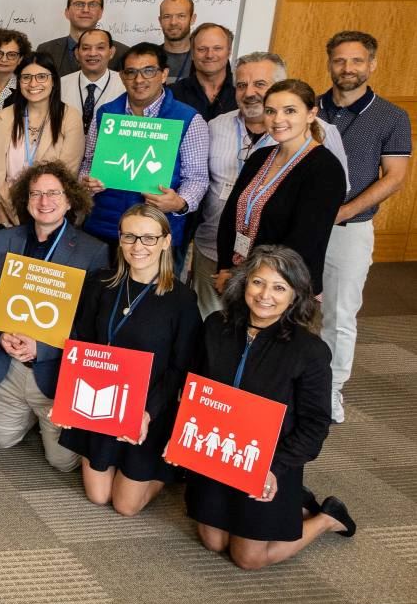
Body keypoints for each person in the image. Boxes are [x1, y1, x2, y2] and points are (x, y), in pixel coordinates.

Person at [187, 246, 353, 569]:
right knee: (213, 541)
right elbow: (195, 389)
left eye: (279, 287)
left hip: (269, 461)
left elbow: (314, 426)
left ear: (295, 296)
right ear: (243, 283)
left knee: (248, 558)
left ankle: (326, 518)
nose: (265, 295)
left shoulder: (310, 351)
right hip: (217, 452)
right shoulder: (215, 327)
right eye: (258, 283)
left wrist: (275, 468)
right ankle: (298, 501)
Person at [59, 204, 200, 516]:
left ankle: (170, 470)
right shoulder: (100, 283)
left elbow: (180, 368)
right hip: (100, 403)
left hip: (147, 409)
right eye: (130, 237)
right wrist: (69, 399)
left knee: (125, 507)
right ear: (119, 239)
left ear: (166, 241)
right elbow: (80, 343)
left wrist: (148, 413)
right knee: (98, 496)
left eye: (149, 238)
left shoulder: (182, 299)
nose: (138, 247)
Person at [0, 162, 107, 471]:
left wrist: (45, 348)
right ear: (26, 199)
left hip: (54, 371)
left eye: (53, 193)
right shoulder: (2, 241)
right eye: (36, 193)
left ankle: (41, 419)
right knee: (0, 439)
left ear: (69, 199)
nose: (44, 201)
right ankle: (27, 417)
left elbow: (91, 324)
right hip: (7, 364)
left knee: (63, 462)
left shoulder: (93, 252)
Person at [316, 31, 409, 424]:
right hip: (299, 227)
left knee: (339, 314)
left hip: (348, 229)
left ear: (371, 64)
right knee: (282, 306)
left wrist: (344, 210)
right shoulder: (308, 106)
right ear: (330, 63)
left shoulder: (392, 117)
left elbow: (394, 177)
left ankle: (329, 391)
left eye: (356, 61)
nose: (347, 69)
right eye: (340, 61)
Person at [215, 79, 345, 296]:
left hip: (283, 286)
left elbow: (304, 240)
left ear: (311, 114)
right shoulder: (260, 157)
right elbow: (230, 216)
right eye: (270, 111)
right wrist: (226, 268)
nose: (278, 119)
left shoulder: (325, 169)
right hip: (241, 277)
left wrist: (254, 280)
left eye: (290, 111)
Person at [80, 43, 209, 256]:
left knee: (150, 290)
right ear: (122, 76)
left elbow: (196, 178)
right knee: (99, 288)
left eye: (148, 71)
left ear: (163, 74)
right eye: (131, 72)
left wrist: (179, 203)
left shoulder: (189, 119)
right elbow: (87, 164)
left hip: (155, 234)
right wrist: (86, 181)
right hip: (104, 229)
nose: (139, 80)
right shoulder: (105, 114)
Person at [0, 53, 84, 228]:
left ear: (53, 81)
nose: (33, 84)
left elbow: (68, 172)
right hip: (3, 215)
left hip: (50, 215)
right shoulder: (4, 116)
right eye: (26, 77)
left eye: (41, 77)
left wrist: (42, 213)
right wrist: (1, 216)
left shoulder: (70, 117)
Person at [36, 0, 129, 78]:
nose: (85, 10)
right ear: (67, 12)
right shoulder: (45, 50)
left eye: (92, 4)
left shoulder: (122, 53)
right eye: (79, 4)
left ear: (100, 13)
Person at [60, 28, 124, 131]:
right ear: (77, 53)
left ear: (111, 52)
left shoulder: (125, 85)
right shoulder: (60, 85)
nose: (92, 53)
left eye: (100, 47)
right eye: (86, 48)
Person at [170, 23, 237, 121]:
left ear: (229, 51)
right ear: (192, 53)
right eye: (202, 49)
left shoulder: (243, 92)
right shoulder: (172, 95)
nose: (209, 55)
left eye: (217, 48)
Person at [158, 0, 197, 79]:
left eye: (181, 16)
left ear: (192, 19)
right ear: (160, 21)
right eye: (167, 16)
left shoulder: (206, 58)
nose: (173, 22)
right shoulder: (150, 58)